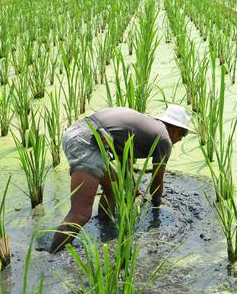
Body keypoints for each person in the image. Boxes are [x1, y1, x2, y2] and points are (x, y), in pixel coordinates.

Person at [49, 105, 192, 253]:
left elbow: (124, 157)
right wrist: (157, 203)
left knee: (114, 185)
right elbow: (156, 183)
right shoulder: (164, 139)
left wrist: (134, 188)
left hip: (78, 132)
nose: (179, 140)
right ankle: (52, 256)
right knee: (81, 214)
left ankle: (104, 224)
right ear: (175, 129)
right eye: (182, 135)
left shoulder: (147, 127)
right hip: (86, 142)